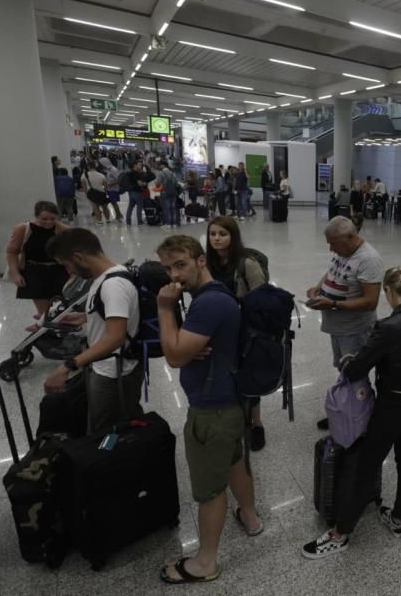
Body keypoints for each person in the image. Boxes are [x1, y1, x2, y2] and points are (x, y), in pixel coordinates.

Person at [302, 266, 401, 559]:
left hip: (391, 407)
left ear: (389, 292)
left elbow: (358, 368)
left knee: (365, 465)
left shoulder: (388, 327)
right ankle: (399, 518)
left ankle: (341, 533)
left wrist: (349, 360)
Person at [155, 235, 261, 585]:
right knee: (234, 463)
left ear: (202, 261)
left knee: (210, 489)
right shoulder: (212, 296)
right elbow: (183, 349)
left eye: (181, 264)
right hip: (229, 403)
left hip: (212, 410)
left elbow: (172, 356)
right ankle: (251, 517)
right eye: (168, 268)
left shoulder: (208, 304)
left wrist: (164, 308)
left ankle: (205, 563)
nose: (175, 275)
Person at [42, 228, 144, 432]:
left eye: (67, 264)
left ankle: (113, 463)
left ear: (78, 257)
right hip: (106, 368)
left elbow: (116, 337)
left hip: (113, 374)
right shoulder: (107, 276)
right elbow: (114, 315)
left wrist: (68, 366)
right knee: (111, 425)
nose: (69, 271)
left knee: (107, 433)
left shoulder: (113, 285)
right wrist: (86, 317)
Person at [305, 216, 384, 430]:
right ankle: (347, 411)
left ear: (351, 237)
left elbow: (370, 301)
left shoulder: (368, 259)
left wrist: (332, 303)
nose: (331, 249)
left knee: (355, 374)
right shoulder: (345, 251)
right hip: (339, 327)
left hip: (355, 329)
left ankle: (360, 417)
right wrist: (318, 287)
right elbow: (333, 271)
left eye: (334, 243)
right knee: (345, 371)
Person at [205, 216, 268, 450]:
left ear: (233, 236)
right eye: (213, 234)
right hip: (218, 333)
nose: (217, 238)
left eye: (223, 234)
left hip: (244, 332)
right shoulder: (207, 264)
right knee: (224, 377)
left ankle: (256, 423)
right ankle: (233, 420)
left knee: (248, 378)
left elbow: (262, 300)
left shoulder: (247, 263)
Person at [5, 201, 69, 330]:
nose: (49, 222)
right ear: (36, 216)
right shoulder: (23, 229)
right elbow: (12, 252)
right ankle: (44, 327)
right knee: (42, 306)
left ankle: (47, 325)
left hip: (57, 270)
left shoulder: (62, 230)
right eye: (44, 219)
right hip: (34, 270)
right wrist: (15, 273)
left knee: (58, 304)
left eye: (52, 219)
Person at [125, 160, 150, 225]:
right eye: (139, 165)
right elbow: (139, 184)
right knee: (139, 207)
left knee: (130, 206)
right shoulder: (136, 173)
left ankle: (128, 220)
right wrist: (144, 183)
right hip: (138, 192)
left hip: (131, 191)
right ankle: (139, 221)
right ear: (135, 165)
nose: (141, 166)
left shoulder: (129, 172)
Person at [157, 160, 181, 227]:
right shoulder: (173, 173)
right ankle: (174, 222)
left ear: (163, 165)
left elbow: (157, 183)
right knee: (173, 207)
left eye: (160, 165)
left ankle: (168, 223)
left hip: (164, 192)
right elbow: (176, 184)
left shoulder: (161, 173)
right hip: (173, 192)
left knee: (166, 207)